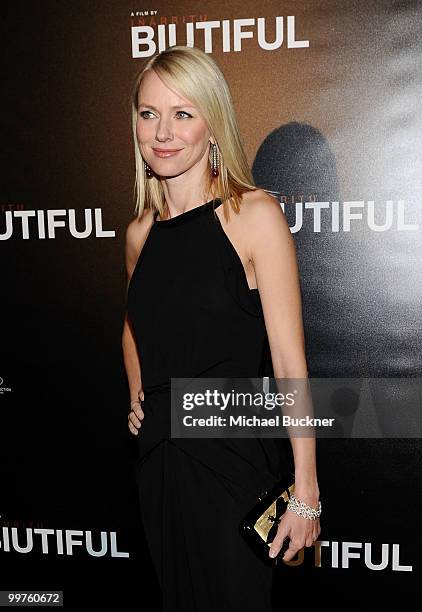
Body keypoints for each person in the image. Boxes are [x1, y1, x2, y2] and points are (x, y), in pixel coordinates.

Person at [122, 45, 321, 611]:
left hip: (230, 459)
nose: (163, 132)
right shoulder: (140, 233)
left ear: (213, 125)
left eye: (183, 113)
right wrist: (138, 387)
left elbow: (288, 365)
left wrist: (305, 490)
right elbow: (132, 324)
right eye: (148, 113)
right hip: (159, 461)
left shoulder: (253, 216)